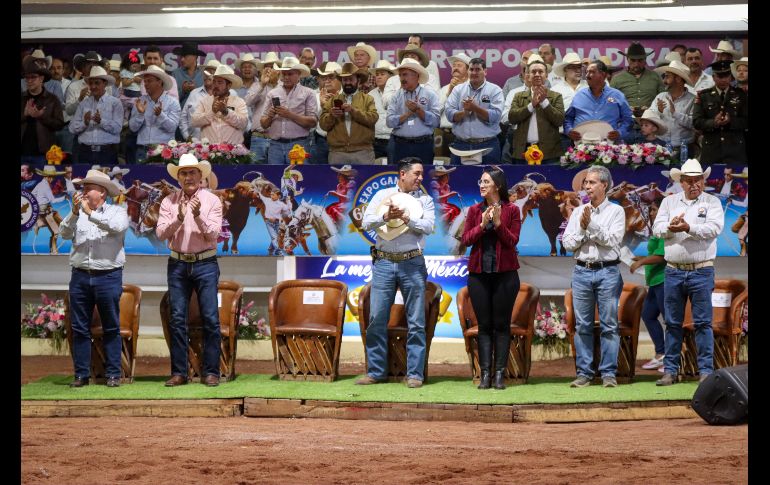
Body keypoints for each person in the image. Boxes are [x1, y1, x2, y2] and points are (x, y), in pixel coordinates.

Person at [357, 158, 435, 388]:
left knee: (417, 322)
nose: (421, 178)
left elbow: (429, 227)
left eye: (422, 174)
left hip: (413, 263)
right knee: (377, 319)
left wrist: (406, 218)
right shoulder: (383, 195)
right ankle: (376, 372)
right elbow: (365, 222)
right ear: (403, 174)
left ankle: (415, 375)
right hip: (383, 263)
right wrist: (385, 217)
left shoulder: (426, 200)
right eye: (417, 174)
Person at [652, 159, 724, 386]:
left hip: (701, 271)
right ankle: (670, 371)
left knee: (703, 323)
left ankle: (705, 371)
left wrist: (687, 227)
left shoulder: (712, 202)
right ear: (681, 182)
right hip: (673, 271)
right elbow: (657, 229)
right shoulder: (669, 202)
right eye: (689, 181)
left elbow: (713, 229)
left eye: (698, 180)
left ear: (703, 180)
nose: (694, 185)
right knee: (672, 323)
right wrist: (670, 228)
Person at [155, 154, 224, 387]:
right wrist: (179, 218)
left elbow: (213, 234)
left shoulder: (212, 201)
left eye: (192, 172)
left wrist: (196, 216)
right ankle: (179, 372)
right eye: (183, 173)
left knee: (211, 318)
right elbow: (161, 233)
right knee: (177, 319)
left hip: (205, 263)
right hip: (177, 263)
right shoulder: (169, 202)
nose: (188, 177)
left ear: (200, 175)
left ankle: (211, 372)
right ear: (178, 178)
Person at [59, 169, 128, 388]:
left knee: (111, 326)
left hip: (108, 276)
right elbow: (64, 233)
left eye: (89, 188)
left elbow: (116, 227)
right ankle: (81, 375)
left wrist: (89, 213)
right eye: (84, 188)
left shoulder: (118, 212)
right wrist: (74, 213)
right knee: (79, 327)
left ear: (103, 193)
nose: (84, 192)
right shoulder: (78, 213)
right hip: (80, 276)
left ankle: (113, 375)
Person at [561, 165, 625, 388]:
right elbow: (567, 243)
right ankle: (584, 373)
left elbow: (612, 240)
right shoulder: (578, 211)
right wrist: (583, 230)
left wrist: (591, 227)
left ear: (604, 185)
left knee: (609, 325)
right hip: (581, 271)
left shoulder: (617, 211)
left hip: (608, 271)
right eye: (585, 183)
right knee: (583, 325)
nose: (586, 186)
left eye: (591, 182)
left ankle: (608, 373)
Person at [460, 166, 521, 390]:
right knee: (484, 325)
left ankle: (499, 375)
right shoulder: (475, 210)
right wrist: (482, 225)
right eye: (481, 182)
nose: (482, 185)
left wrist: (497, 225)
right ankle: (485, 374)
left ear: (498, 185)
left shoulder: (512, 210)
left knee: (502, 325)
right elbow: (466, 240)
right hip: (479, 276)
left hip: (505, 276)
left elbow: (512, 241)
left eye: (486, 182)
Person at [629, 197, 667, 371]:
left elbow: (662, 256)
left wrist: (641, 262)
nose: (651, 213)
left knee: (669, 320)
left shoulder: (665, 229)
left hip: (664, 280)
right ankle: (661, 354)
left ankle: (672, 358)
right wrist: (641, 258)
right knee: (648, 315)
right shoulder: (656, 230)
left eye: (654, 209)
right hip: (654, 281)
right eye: (650, 210)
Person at [445, 57, 504, 165]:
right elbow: (449, 113)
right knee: (459, 179)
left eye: (478, 69)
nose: (474, 72)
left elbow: (496, 116)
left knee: (490, 179)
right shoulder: (458, 89)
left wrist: (475, 108)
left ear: (485, 71)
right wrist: (464, 113)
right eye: (471, 69)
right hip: (460, 145)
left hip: (488, 145)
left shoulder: (495, 90)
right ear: (468, 71)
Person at [260, 57, 318, 164]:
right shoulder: (272, 93)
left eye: (290, 74)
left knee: (299, 177)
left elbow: (312, 122)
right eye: (284, 74)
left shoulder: (308, 93)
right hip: (275, 145)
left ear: (299, 74)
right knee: (275, 178)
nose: (286, 77)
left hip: (299, 145)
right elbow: (263, 124)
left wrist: (289, 115)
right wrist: (270, 116)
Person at [508, 57, 565, 164]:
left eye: (541, 71)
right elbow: (512, 118)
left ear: (546, 75)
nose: (537, 74)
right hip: (523, 152)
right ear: (528, 76)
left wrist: (544, 102)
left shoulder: (556, 96)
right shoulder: (519, 96)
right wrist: (531, 105)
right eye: (534, 72)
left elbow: (559, 120)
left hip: (549, 153)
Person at [319, 62, 378, 165]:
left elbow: (373, 118)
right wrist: (332, 115)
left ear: (358, 80)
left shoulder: (368, 99)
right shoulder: (332, 100)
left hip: (363, 152)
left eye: (351, 79)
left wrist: (353, 111)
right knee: (338, 181)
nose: (348, 82)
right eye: (345, 80)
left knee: (365, 180)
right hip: (337, 152)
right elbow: (323, 125)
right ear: (341, 81)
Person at [564, 60, 634, 145]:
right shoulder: (579, 95)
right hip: (581, 146)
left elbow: (628, 119)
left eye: (592, 72)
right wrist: (569, 131)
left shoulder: (617, 95)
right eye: (586, 72)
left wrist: (620, 132)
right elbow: (568, 118)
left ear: (603, 75)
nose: (587, 76)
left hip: (609, 147)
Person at [692, 60, 748, 166]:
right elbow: (696, 121)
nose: (723, 79)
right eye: (720, 76)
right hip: (711, 151)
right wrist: (714, 122)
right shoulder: (703, 96)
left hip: (735, 150)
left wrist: (731, 120)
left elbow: (746, 121)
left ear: (731, 77)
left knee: (737, 182)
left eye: (726, 76)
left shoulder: (741, 95)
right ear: (713, 77)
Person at [386, 58, 440, 165]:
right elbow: (389, 122)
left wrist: (418, 110)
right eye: (400, 75)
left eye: (405, 74)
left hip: (423, 145)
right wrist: (407, 114)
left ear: (417, 76)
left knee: (423, 178)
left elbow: (436, 122)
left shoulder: (430, 95)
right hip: (399, 145)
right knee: (399, 177)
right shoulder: (396, 97)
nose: (402, 78)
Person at [68, 65, 124, 165]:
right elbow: (72, 128)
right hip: (85, 152)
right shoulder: (84, 103)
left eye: (97, 83)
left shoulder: (115, 103)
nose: (93, 86)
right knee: (83, 180)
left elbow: (118, 128)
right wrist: (84, 123)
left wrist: (101, 122)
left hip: (107, 153)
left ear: (105, 83)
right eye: (91, 83)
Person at [129, 65, 182, 161]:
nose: (146, 84)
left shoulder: (172, 102)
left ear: (159, 82)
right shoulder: (140, 101)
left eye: (149, 81)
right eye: (145, 81)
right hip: (142, 149)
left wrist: (160, 115)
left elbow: (172, 128)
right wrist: (140, 114)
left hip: (164, 150)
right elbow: (132, 128)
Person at [21, 57, 64, 167]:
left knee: (43, 183)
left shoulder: (52, 99)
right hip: (22, 152)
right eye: (27, 78)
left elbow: (59, 124)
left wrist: (41, 116)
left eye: (33, 77)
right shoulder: (22, 98)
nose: (29, 81)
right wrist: (24, 115)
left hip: (43, 153)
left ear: (41, 79)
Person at [191, 64, 248, 145]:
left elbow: (243, 124)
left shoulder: (239, 102)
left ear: (229, 86)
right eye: (214, 81)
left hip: (233, 153)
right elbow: (194, 121)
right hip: (209, 152)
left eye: (220, 82)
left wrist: (226, 112)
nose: (216, 85)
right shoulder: (204, 101)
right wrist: (212, 112)